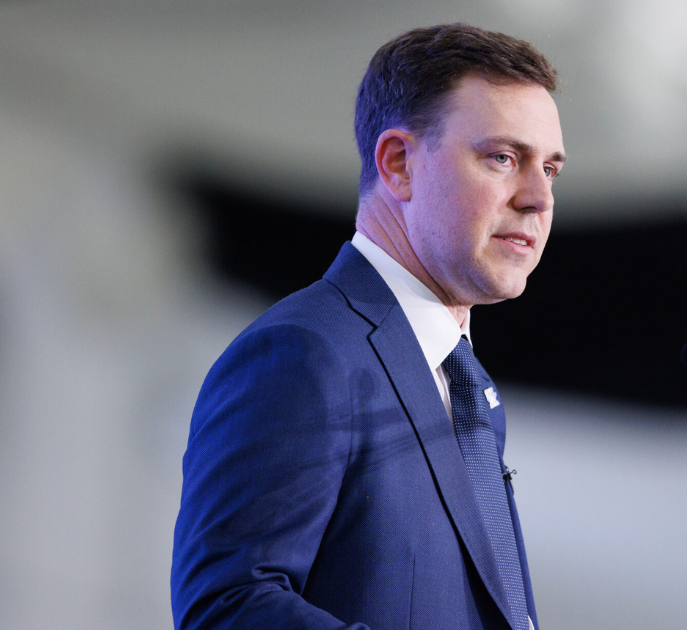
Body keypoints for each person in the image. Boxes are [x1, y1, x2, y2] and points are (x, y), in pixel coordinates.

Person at [171, 24, 564, 630]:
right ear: (399, 164)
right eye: (503, 158)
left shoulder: (470, 392)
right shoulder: (305, 354)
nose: (537, 197)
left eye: (552, 170)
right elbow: (229, 607)